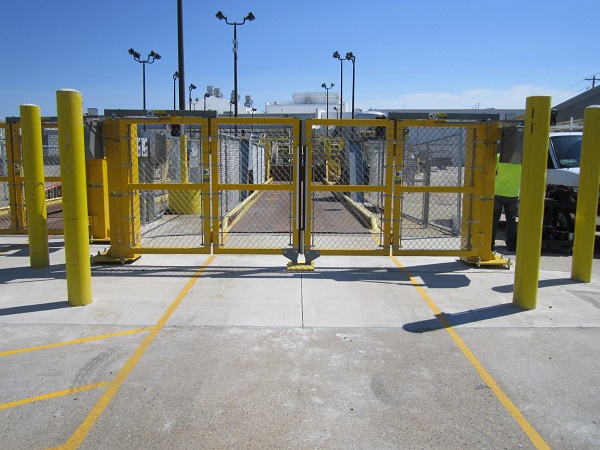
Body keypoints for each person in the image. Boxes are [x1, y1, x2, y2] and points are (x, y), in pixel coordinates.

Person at [492, 153, 522, 251]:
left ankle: (490, 244)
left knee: (494, 219)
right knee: (511, 220)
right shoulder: (522, 157)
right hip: (512, 193)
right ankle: (511, 245)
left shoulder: (499, 156)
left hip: (497, 192)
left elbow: (494, 171)